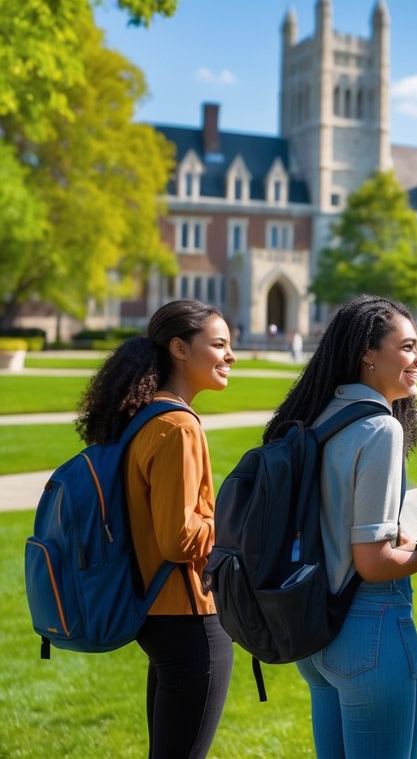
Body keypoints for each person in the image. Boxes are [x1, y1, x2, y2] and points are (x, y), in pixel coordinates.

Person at [264, 295, 417, 758]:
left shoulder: (319, 414)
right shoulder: (381, 428)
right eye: (408, 347)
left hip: (316, 631)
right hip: (369, 625)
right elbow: (375, 563)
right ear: (367, 353)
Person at [75, 299, 236, 758]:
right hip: (189, 617)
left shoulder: (142, 417)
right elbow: (180, 539)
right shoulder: (178, 426)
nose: (230, 356)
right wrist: (239, 524)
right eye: (219, 344)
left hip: (154, 611)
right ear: (180, 348)